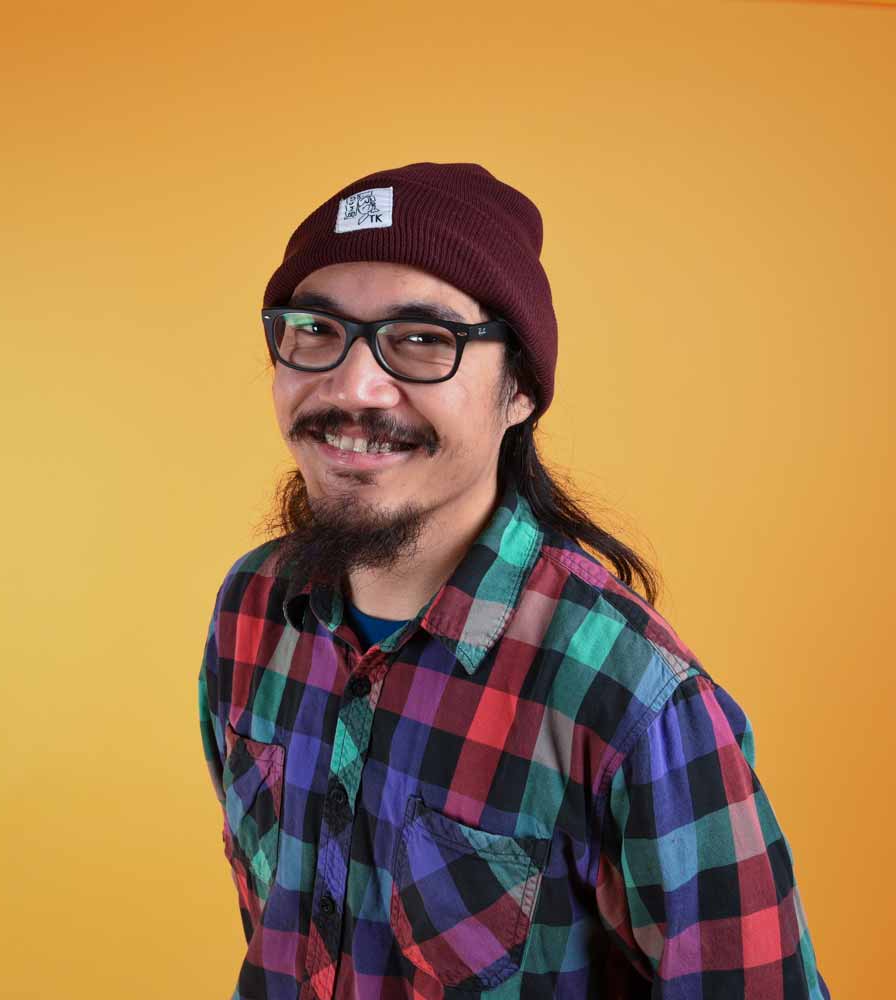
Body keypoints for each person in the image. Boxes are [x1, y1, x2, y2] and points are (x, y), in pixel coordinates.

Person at [197, 162, 830, 999]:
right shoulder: (252, 612)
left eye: (422, 339)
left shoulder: (628, 696)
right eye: (315, 328)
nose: (352, 385)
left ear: (521, 389)